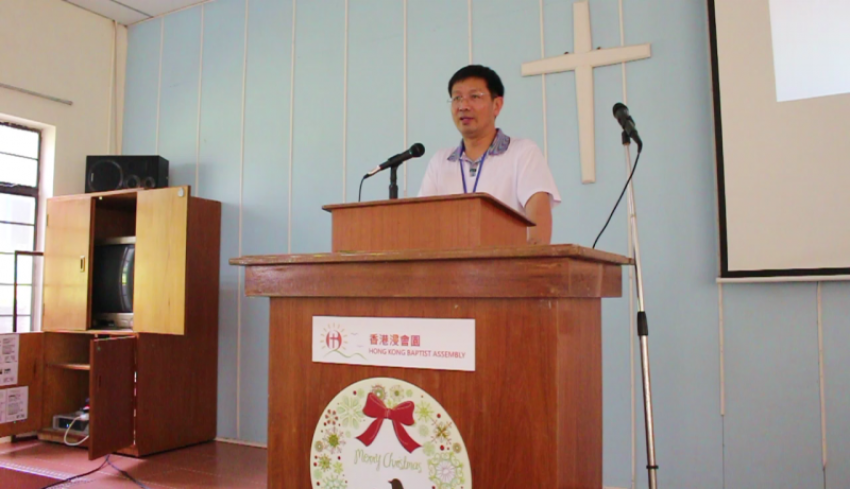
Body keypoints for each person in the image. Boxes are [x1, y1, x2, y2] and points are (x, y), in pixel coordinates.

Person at [418, 65, 561, 245]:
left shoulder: (523, 152)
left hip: (508, 270)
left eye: (474, 96)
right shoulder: (440, 161)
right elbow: (422, 225)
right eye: (457, 98)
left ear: (497, 105)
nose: (463, 106)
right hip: (449, 271)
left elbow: (538, 226)